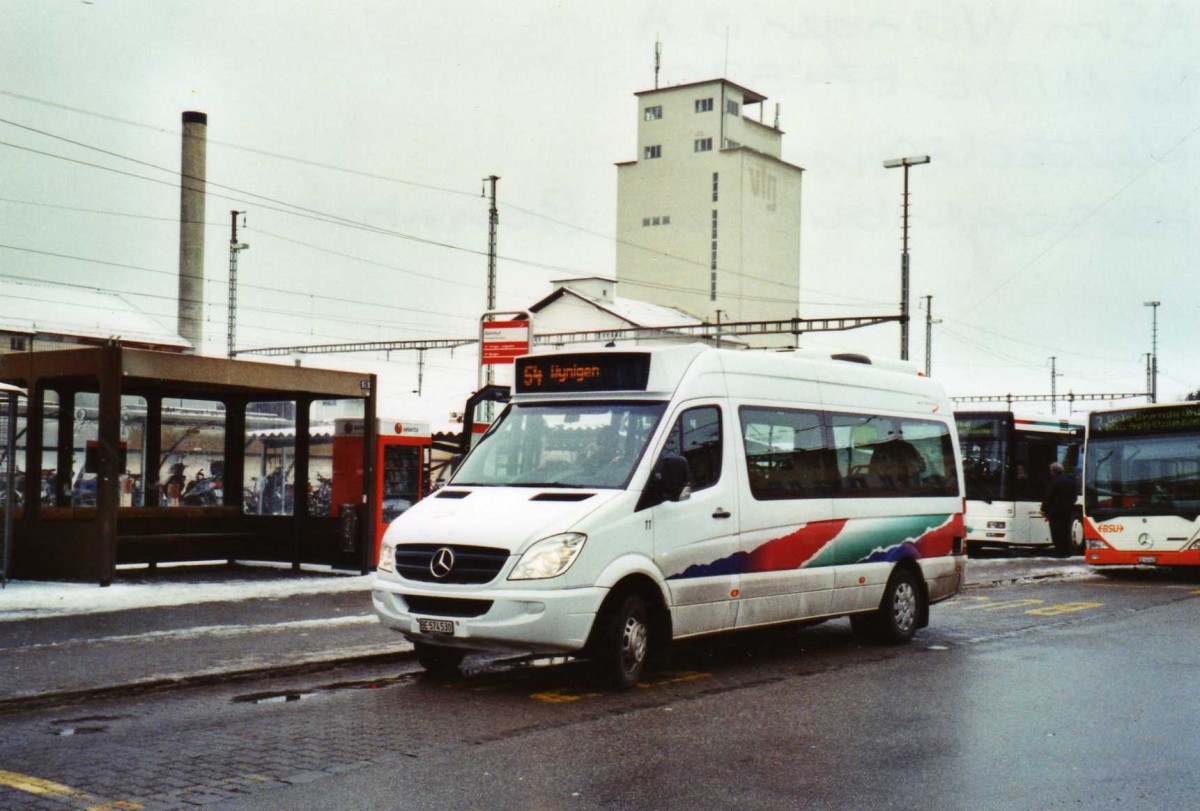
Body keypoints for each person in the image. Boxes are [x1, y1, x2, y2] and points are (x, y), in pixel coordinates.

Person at [1041, 461, 1077, 557]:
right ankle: (1066, 551)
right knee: (1065, 530)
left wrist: (1043, 508)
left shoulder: (1053, 481)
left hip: (1055, 511)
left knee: (1056, 531)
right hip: (1067, 510)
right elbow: (1074, 497)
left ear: (1053, 471)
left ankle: (1059, 551)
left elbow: (1048, 496)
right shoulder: (1070, 481)